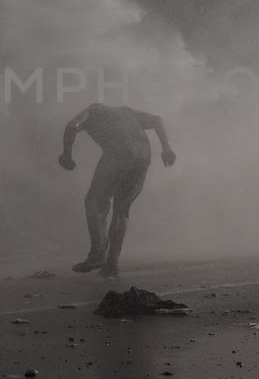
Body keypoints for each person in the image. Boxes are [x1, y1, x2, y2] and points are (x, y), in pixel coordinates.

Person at [58, 103, 175, 276]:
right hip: (143, 157)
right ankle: (112, 264)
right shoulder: (127, 111)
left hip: (118, 153)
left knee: (94, 202)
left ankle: (97, 253)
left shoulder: (93, 111)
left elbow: (71, 126)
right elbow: (157, 120)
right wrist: (166, 149)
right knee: (122, 209)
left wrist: (66, 155)